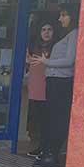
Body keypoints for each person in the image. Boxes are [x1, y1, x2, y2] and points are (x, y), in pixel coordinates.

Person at [30, 4, 79, 167]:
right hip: (53, 80)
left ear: (72, 16)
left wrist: (47, 61)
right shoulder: (67, 34)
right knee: (52, 118)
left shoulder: (74, 34)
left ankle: (52, 154)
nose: (60, 19)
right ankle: (49, 153)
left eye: (64, 15)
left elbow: (69, 60)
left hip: (61, 81)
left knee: (57, 119)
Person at [25, 20, 55, 158]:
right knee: (37, 119)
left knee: (48, 119)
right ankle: (40, 146)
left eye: (49, 29)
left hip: (50, 87)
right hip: (35, 87)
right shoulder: (33, 46)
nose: (46, 32)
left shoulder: (56, 47)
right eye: (44, 29)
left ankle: (47, 148)